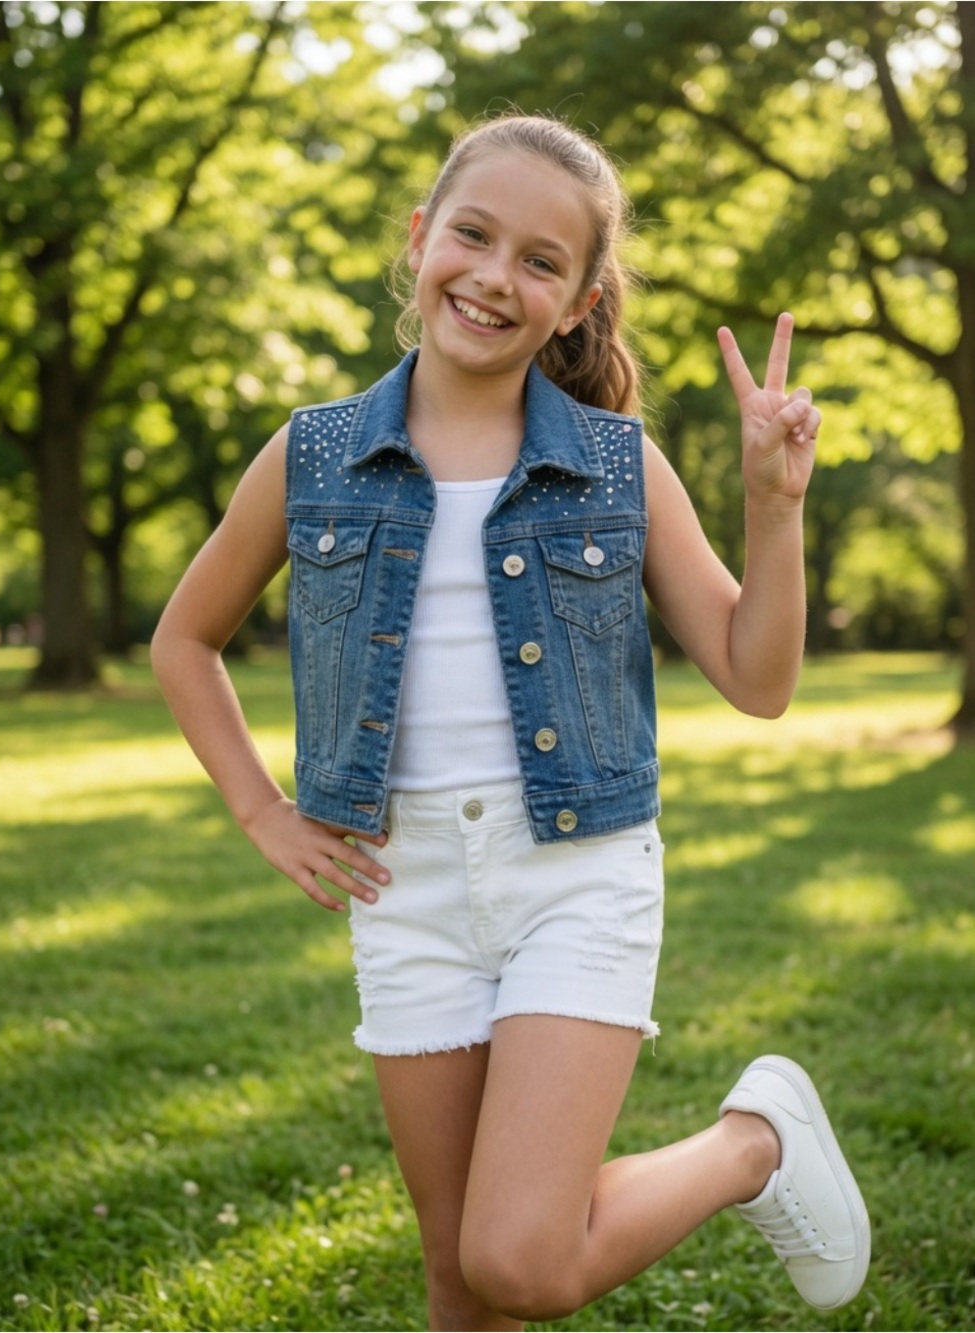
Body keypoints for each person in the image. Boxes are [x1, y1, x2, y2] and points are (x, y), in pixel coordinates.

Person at [151, 113, 869, 1332]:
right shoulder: (313, 452)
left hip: (575, 875)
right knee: (459, 1277)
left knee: (524, 1261)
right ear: (421, 238)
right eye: (473, 236)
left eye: (542, 261)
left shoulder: (617, 464)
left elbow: (759, 678)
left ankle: (754, 1145)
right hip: (404, 888)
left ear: (582, 301)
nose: (494, 277)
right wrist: (261, 810)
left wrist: (773, 507)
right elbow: (184, 638)